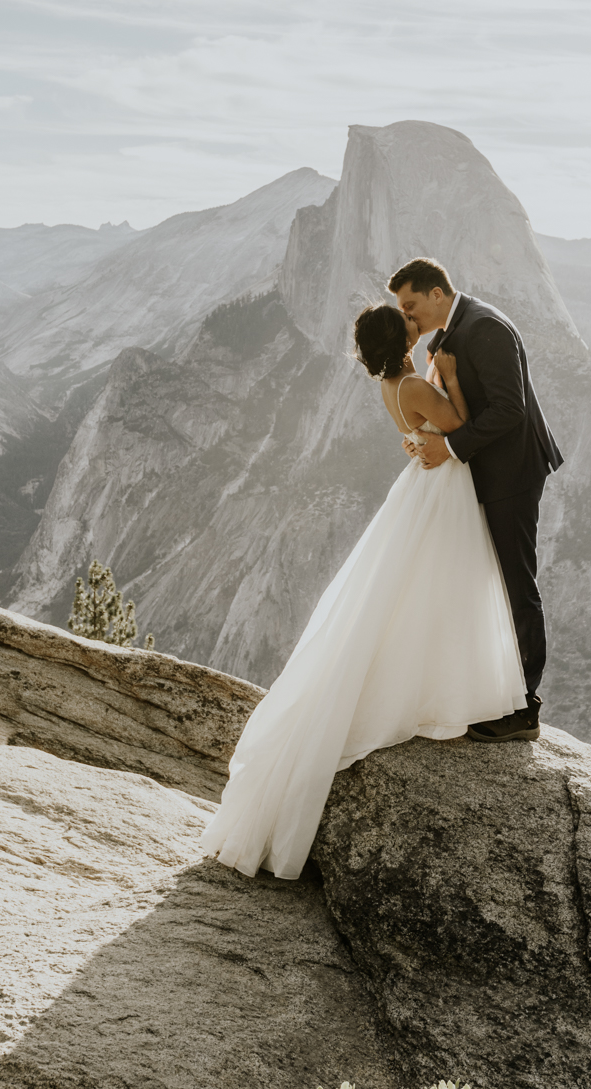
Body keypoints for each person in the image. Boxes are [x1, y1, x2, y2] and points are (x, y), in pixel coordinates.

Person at [200, 295, 527, 880]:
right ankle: (436, 689)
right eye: (406, 322)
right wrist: (451, 378)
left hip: (424, 482)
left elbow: (424, 422)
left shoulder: (394, 385)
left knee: (417, 589)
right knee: (440, 586)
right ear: (400, 341)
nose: (414, 323)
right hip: (441, 485)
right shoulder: (419, 384)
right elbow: (455, 424)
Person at [388, 257, 563, 742]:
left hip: (511, 474)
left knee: (515, 583)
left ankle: (524, 709)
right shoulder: (449, 331)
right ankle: (494, 691)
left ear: (437, 294)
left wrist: (449, 446)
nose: (407, 316)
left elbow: (510, 408)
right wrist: (426, 435)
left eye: (411, 305)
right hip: (480, 473)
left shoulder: (484, 328)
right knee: (486, 582)